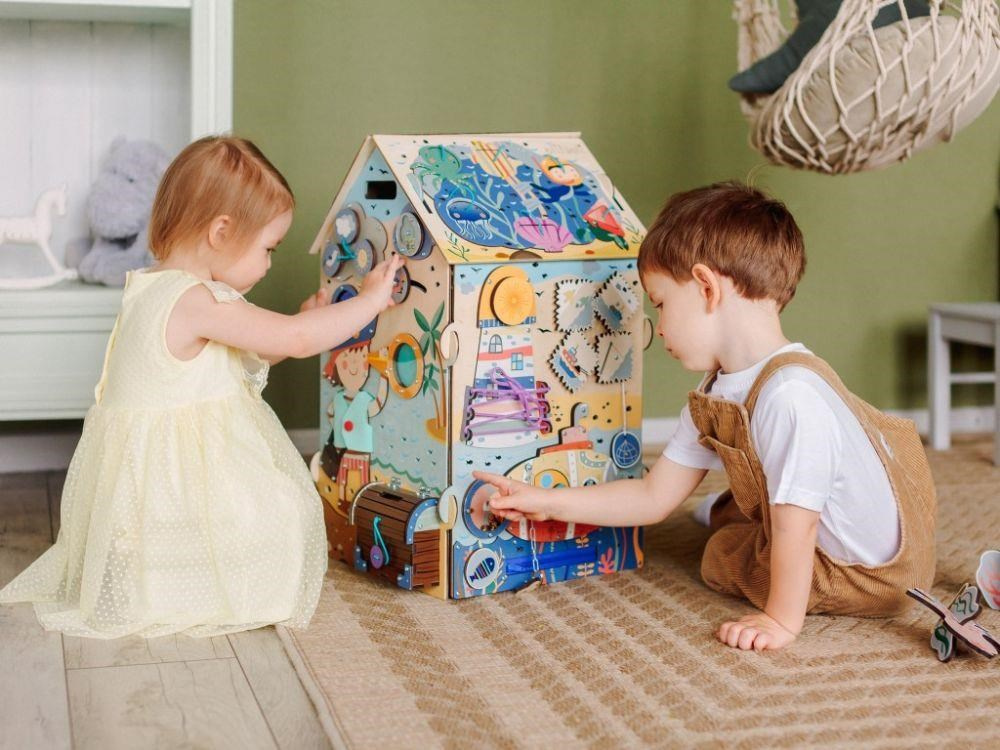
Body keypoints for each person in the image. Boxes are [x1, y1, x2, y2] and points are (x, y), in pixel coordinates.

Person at [476, 181, 936, 652]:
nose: (659, 328)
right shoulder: (719, 389)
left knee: (721, 558)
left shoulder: (790, 395)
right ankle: (731, 511)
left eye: (660, 304)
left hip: (865, 577)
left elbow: (798, 529)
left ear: (707, 288)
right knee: (753, 515)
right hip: (813, 522)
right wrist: (549, 502)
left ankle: (733, 521)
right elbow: (653, 497)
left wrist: (779, 620)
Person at [0, 135, 403, 638]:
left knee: (270, 513)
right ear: (221, 232)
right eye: (268, 249)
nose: (269, 264)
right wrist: (369, 302)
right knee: (283, 512)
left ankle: (158, 574)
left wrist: (308, 319)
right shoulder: (197, 301)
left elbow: (258, 351)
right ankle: (195, 581)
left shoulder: (150, 287)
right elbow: (296, 340)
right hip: (175, 489)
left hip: (142, 494)